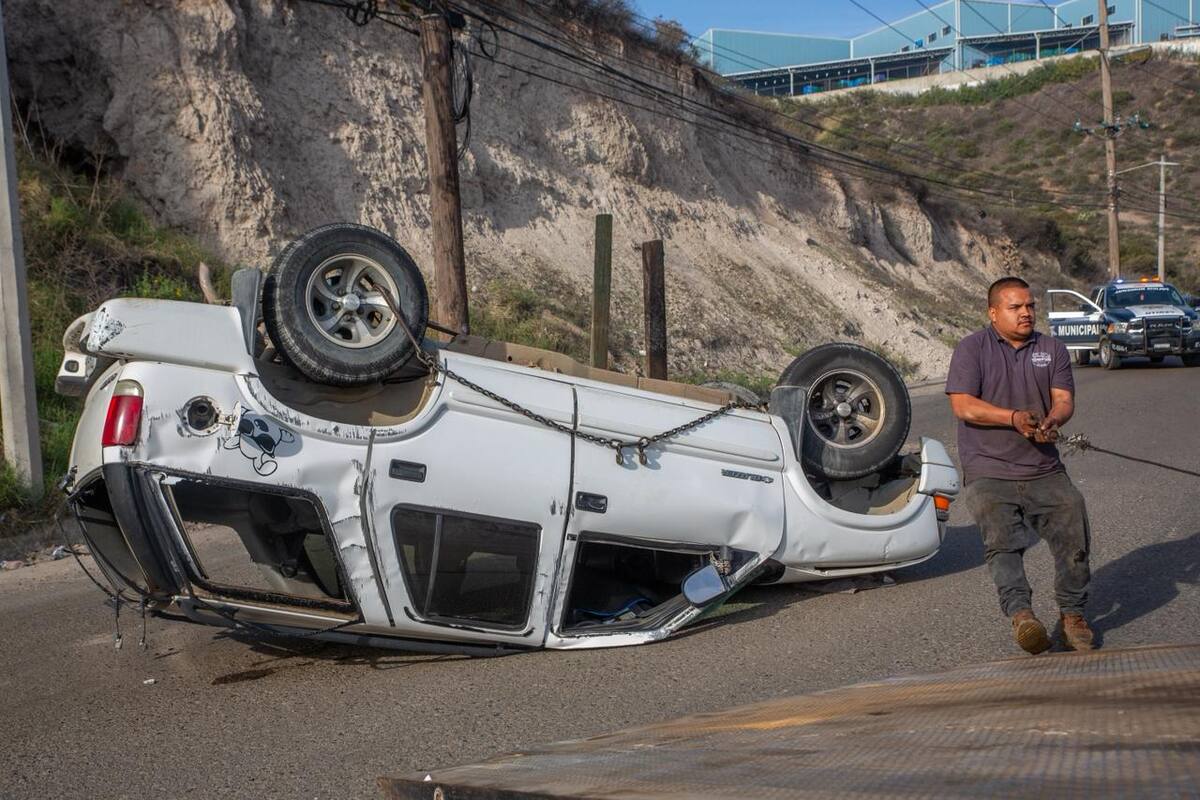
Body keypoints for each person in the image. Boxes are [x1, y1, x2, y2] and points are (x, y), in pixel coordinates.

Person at [945, 277, 1094, 654]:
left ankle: (1072, 617)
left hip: (1043, 468)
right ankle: (1022, 616)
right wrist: (1012, 418)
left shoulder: (1052, 349)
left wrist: (1053, 420)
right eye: (1016, 307)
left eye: (1030, 306)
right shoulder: (971, 349)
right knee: (1003, 543)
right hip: (988, 468)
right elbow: (963, 406)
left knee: (1073, 531)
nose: (1026, 313)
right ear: (993, 313)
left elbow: (1064, 400)